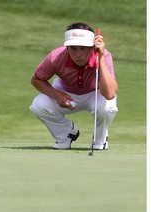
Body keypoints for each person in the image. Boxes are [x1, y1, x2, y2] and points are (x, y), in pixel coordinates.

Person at [29, 22, 118, 150]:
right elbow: (37, 79)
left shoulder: (104, 56)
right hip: (65, 92)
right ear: (67, 47)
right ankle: (65, 134)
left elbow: (109, 94)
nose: (79, 54)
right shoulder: (56, 56)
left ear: (92, 46)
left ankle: (100, 138)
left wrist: (101, 58)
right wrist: (57, 94)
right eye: (73, 48)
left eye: (83, 48)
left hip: (95, 93)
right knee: (39, 105)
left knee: (107, 107)